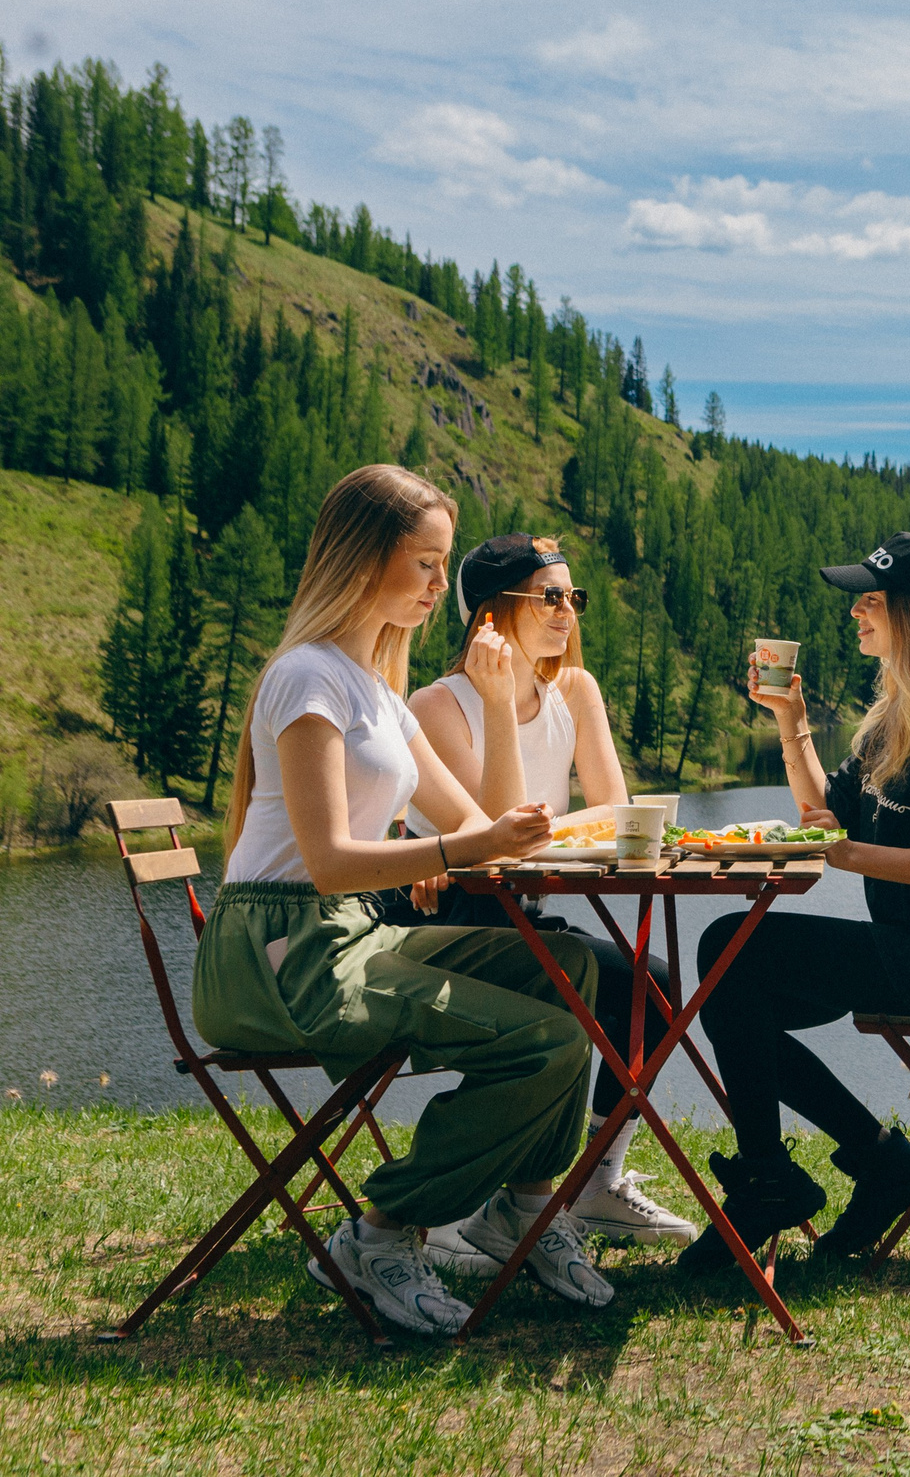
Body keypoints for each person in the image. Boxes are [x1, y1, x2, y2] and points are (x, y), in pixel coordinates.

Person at [192, 464, 614, 1337]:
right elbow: (335, 860)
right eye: (423, 564)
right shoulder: (307, 679)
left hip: (352, 935)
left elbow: (480, 824)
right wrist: (459, 849)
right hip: (283, 959)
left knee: (569, 966)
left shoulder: (378, 691)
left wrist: (502, 735)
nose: (438, 587)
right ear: (360, 558)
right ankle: (380, 1233)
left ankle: (528, 1208)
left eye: (442, 564)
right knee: (550, 1038)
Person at [680, 532, 910, 1271]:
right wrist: (788, 715)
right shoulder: (897, 716)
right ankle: (860, 1162)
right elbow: (823, 817)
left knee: (729, 955)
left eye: (870, 600)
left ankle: (786, 1176)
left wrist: (842, 855)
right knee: (733, 973)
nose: (855, 614)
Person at [400, 532, 700, 1266]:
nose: (569, 612)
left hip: (528, 912)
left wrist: (568, 830)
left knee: (654, 986)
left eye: (575, 597)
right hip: (450, 920)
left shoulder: (575, 690)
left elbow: (615, 810)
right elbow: (492, 843)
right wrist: (555, 825)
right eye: (552, 597)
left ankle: (596, 1178)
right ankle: (451, 1209)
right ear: (493, 615)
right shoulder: (438, 707)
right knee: (557, 989)